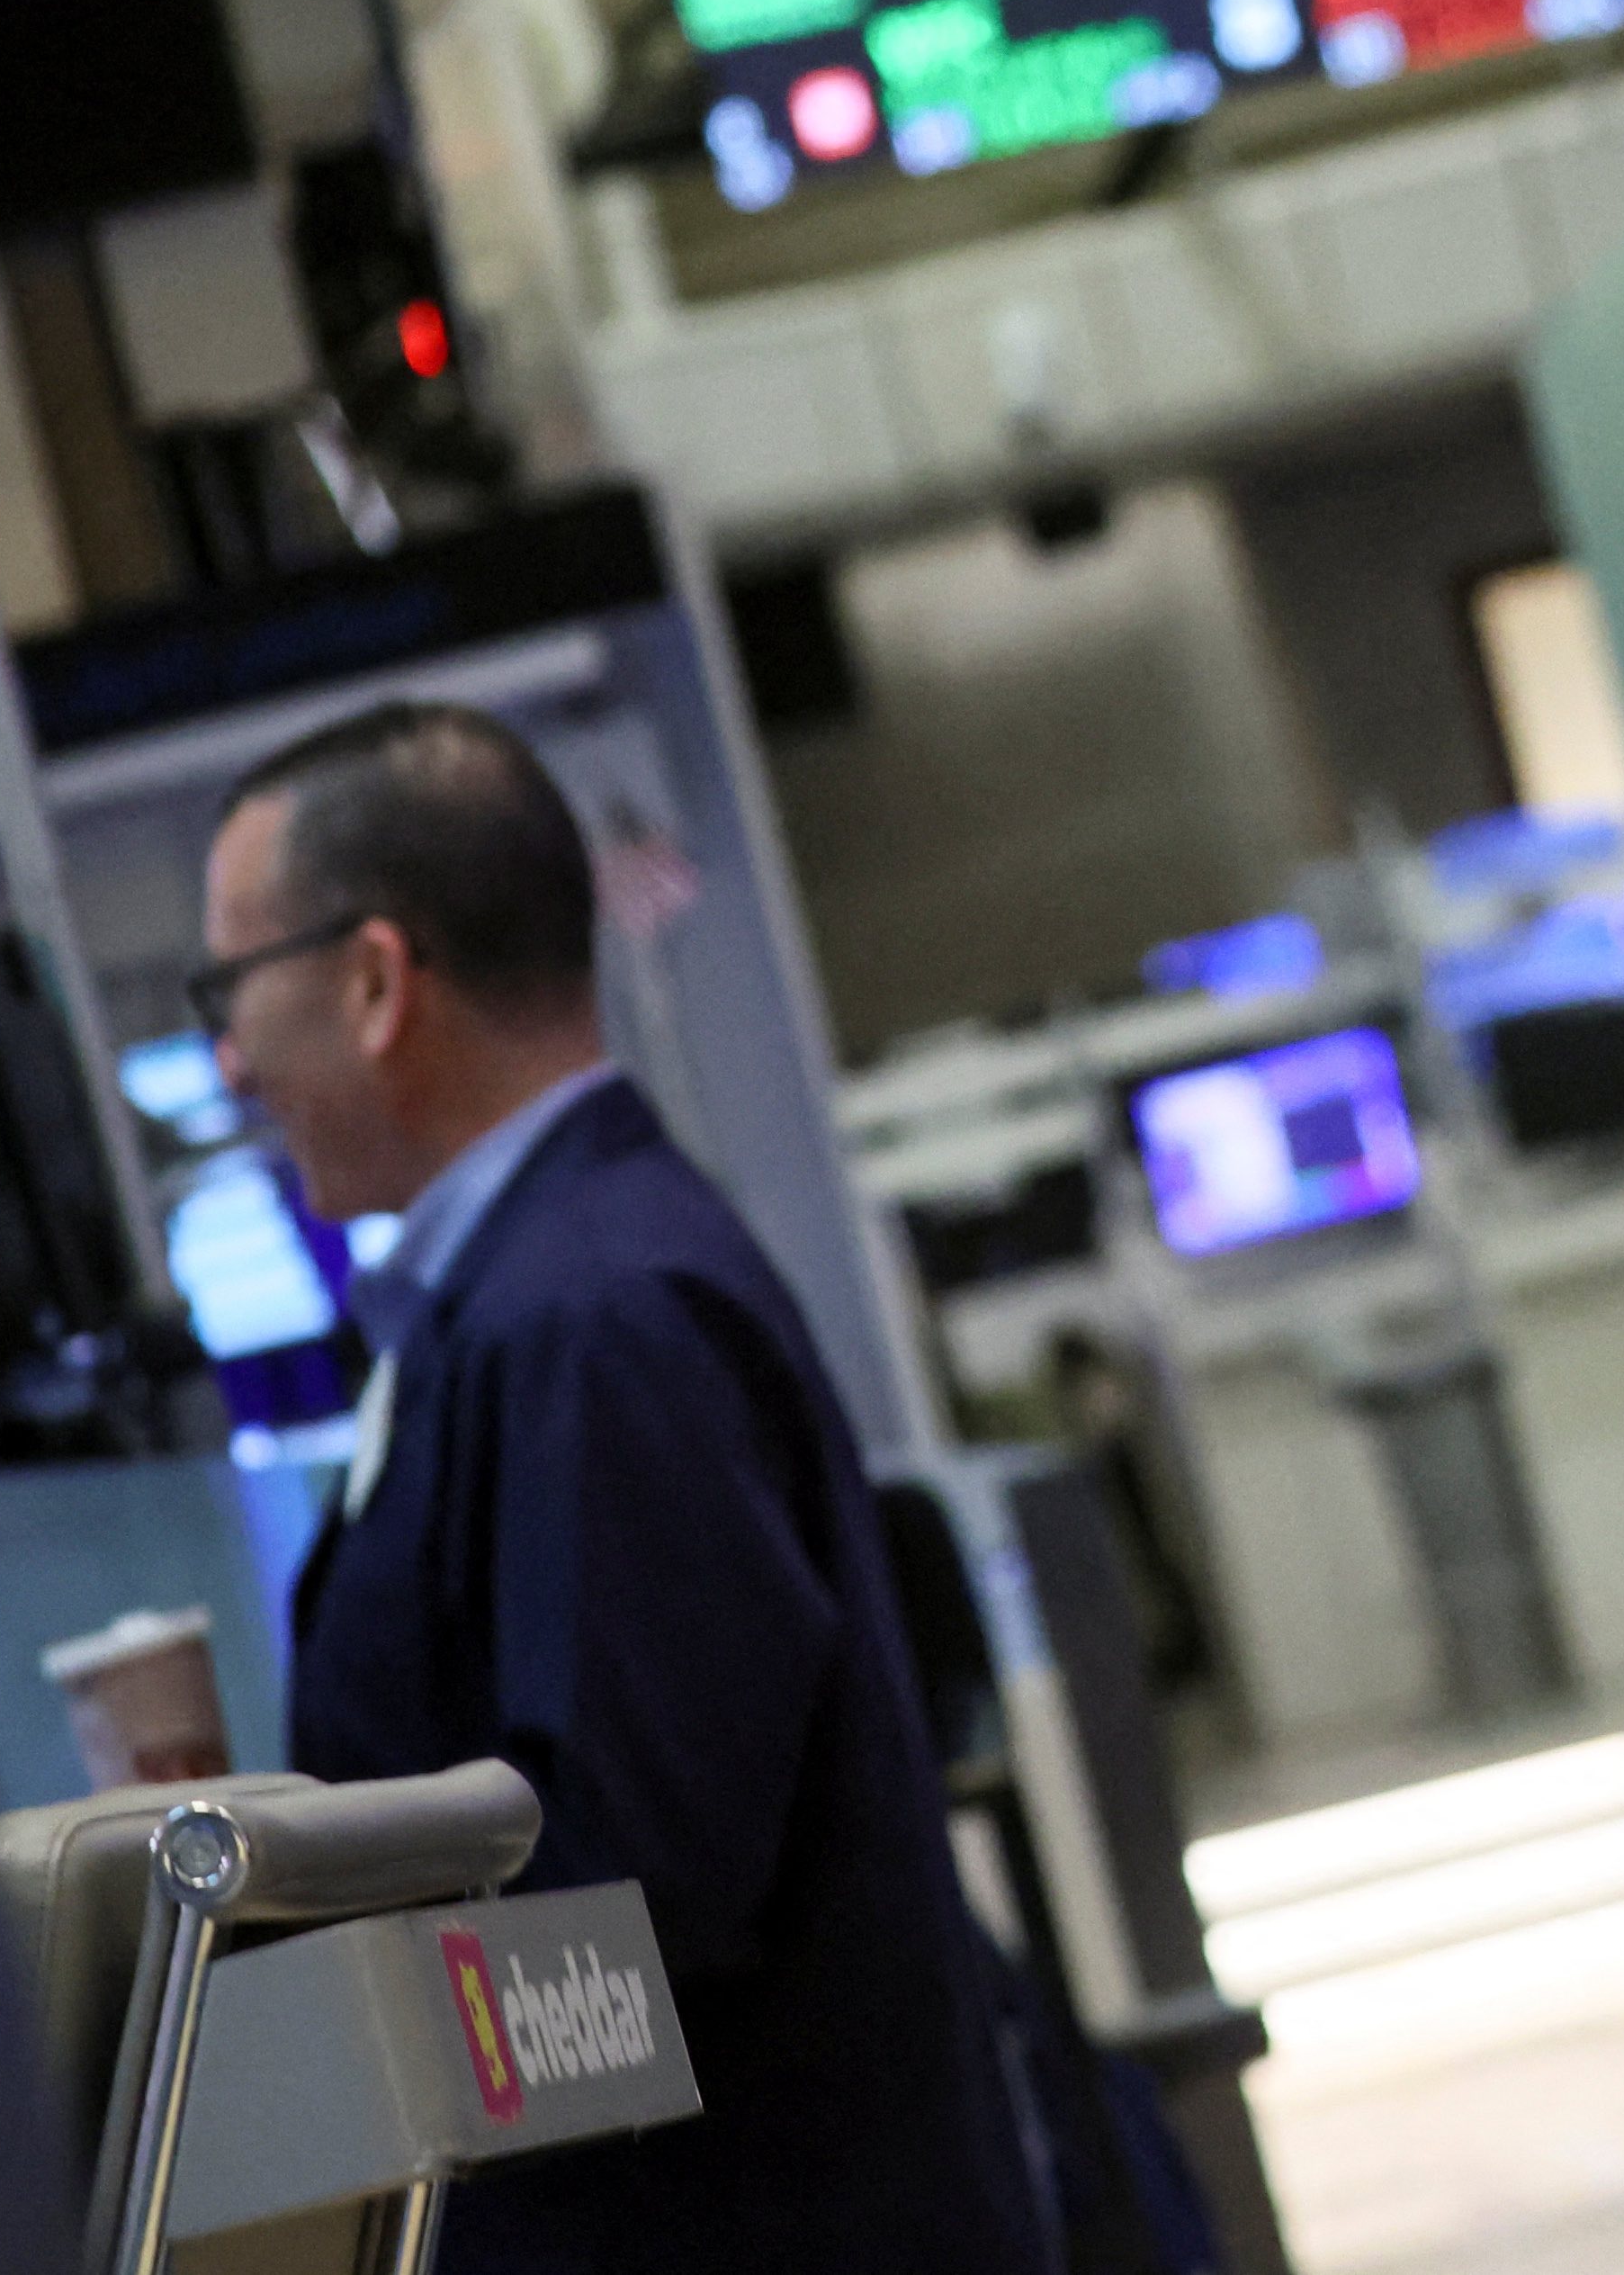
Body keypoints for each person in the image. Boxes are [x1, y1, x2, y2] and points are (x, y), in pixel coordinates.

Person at [199, 700, 1048, 2274]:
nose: (231, 1061)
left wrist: (271, 2083)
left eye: (232, 989)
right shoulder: (528, 1298)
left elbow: (635, 1928)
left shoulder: (596, 1318)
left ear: (377, 982)